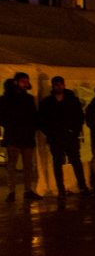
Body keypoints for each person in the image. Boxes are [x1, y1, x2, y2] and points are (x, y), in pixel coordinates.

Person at [38, 75, 92, 199]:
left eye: (60, 84)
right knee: (58, 162)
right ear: (53, 86)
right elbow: (41, 120)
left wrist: (74, 130)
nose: (59, 86)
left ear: (64, 85)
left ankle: (82, 186)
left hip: (69, 136)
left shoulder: (72, 100)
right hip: (56, 137)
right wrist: (51, 132)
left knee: (75, 161)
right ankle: (61, 188)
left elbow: (79, 117)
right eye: (56, 84)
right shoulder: (47, 103)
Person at [0, 72, 42, 202]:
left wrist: (33, 127)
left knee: (27, 165)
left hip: (27, 136)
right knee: (12, 165)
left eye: (26, 81)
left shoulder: (28, 98)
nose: (25, 83)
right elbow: (1, 116)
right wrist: (11, 124)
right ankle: (12, 191)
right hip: (14, 136)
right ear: (16, 82)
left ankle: (27, 190)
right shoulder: (6, 98)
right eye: (23, 81)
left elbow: (34, 116)